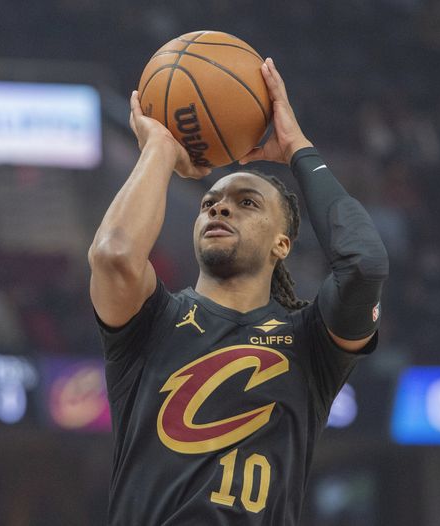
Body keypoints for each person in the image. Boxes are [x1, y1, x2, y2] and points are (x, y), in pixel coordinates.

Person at [88, 58, 388, 525]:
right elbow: (114, 256)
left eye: (246, 203)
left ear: (282, 244)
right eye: (209, 203)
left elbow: (363, 265)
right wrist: (160, 149)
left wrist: (298, 148)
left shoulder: (309, 344)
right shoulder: (153, 320)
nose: (219, 209)